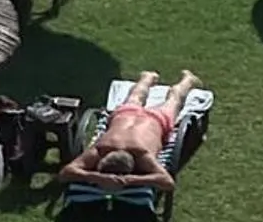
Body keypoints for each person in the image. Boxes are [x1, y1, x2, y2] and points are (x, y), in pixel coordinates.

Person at [57, 70, 200, 192]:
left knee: (160, 99)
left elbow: (168, 183)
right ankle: (180, 79)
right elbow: (166, 181)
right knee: (165, 99)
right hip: (136, 117)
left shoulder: (134, 153)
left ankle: (153, 77)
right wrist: (120, 179)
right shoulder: (107, 150)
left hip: (146, 118)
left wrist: (122, 180)